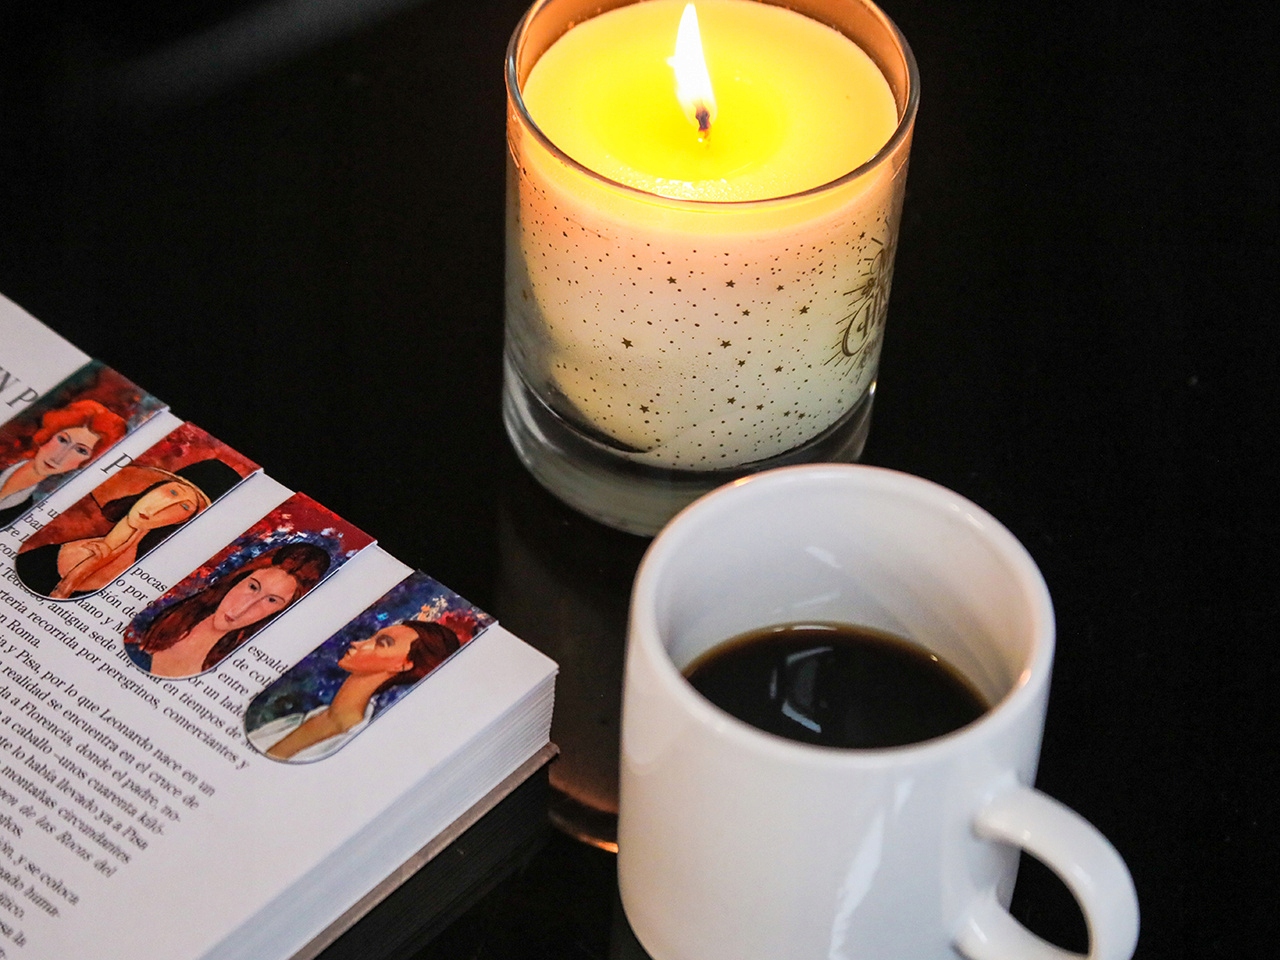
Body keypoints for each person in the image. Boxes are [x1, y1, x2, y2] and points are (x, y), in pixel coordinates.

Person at [15, 458, 242, 599]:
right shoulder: (58, 545)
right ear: (154, 486)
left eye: (184, 507)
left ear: (184, 521)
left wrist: (73, 581)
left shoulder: (134, 582)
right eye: (172, 492)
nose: (161, 508)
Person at [247, 620, 460, 762]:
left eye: (382, 643)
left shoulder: (351, 741)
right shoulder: (298, 719)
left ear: (404, 665)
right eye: (373, 637)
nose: (358, 644)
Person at [127, 542, 330, 678]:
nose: (242, 609)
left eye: (271, 600)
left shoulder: (232, 668)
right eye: (252, 587)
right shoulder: (154, 625)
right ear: (237, 579)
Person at [0, 399, 128, 527]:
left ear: (88, 461)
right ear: (49, 434)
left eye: (81, 450)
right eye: (62, 440)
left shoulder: (29, 508)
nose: (59, 457)